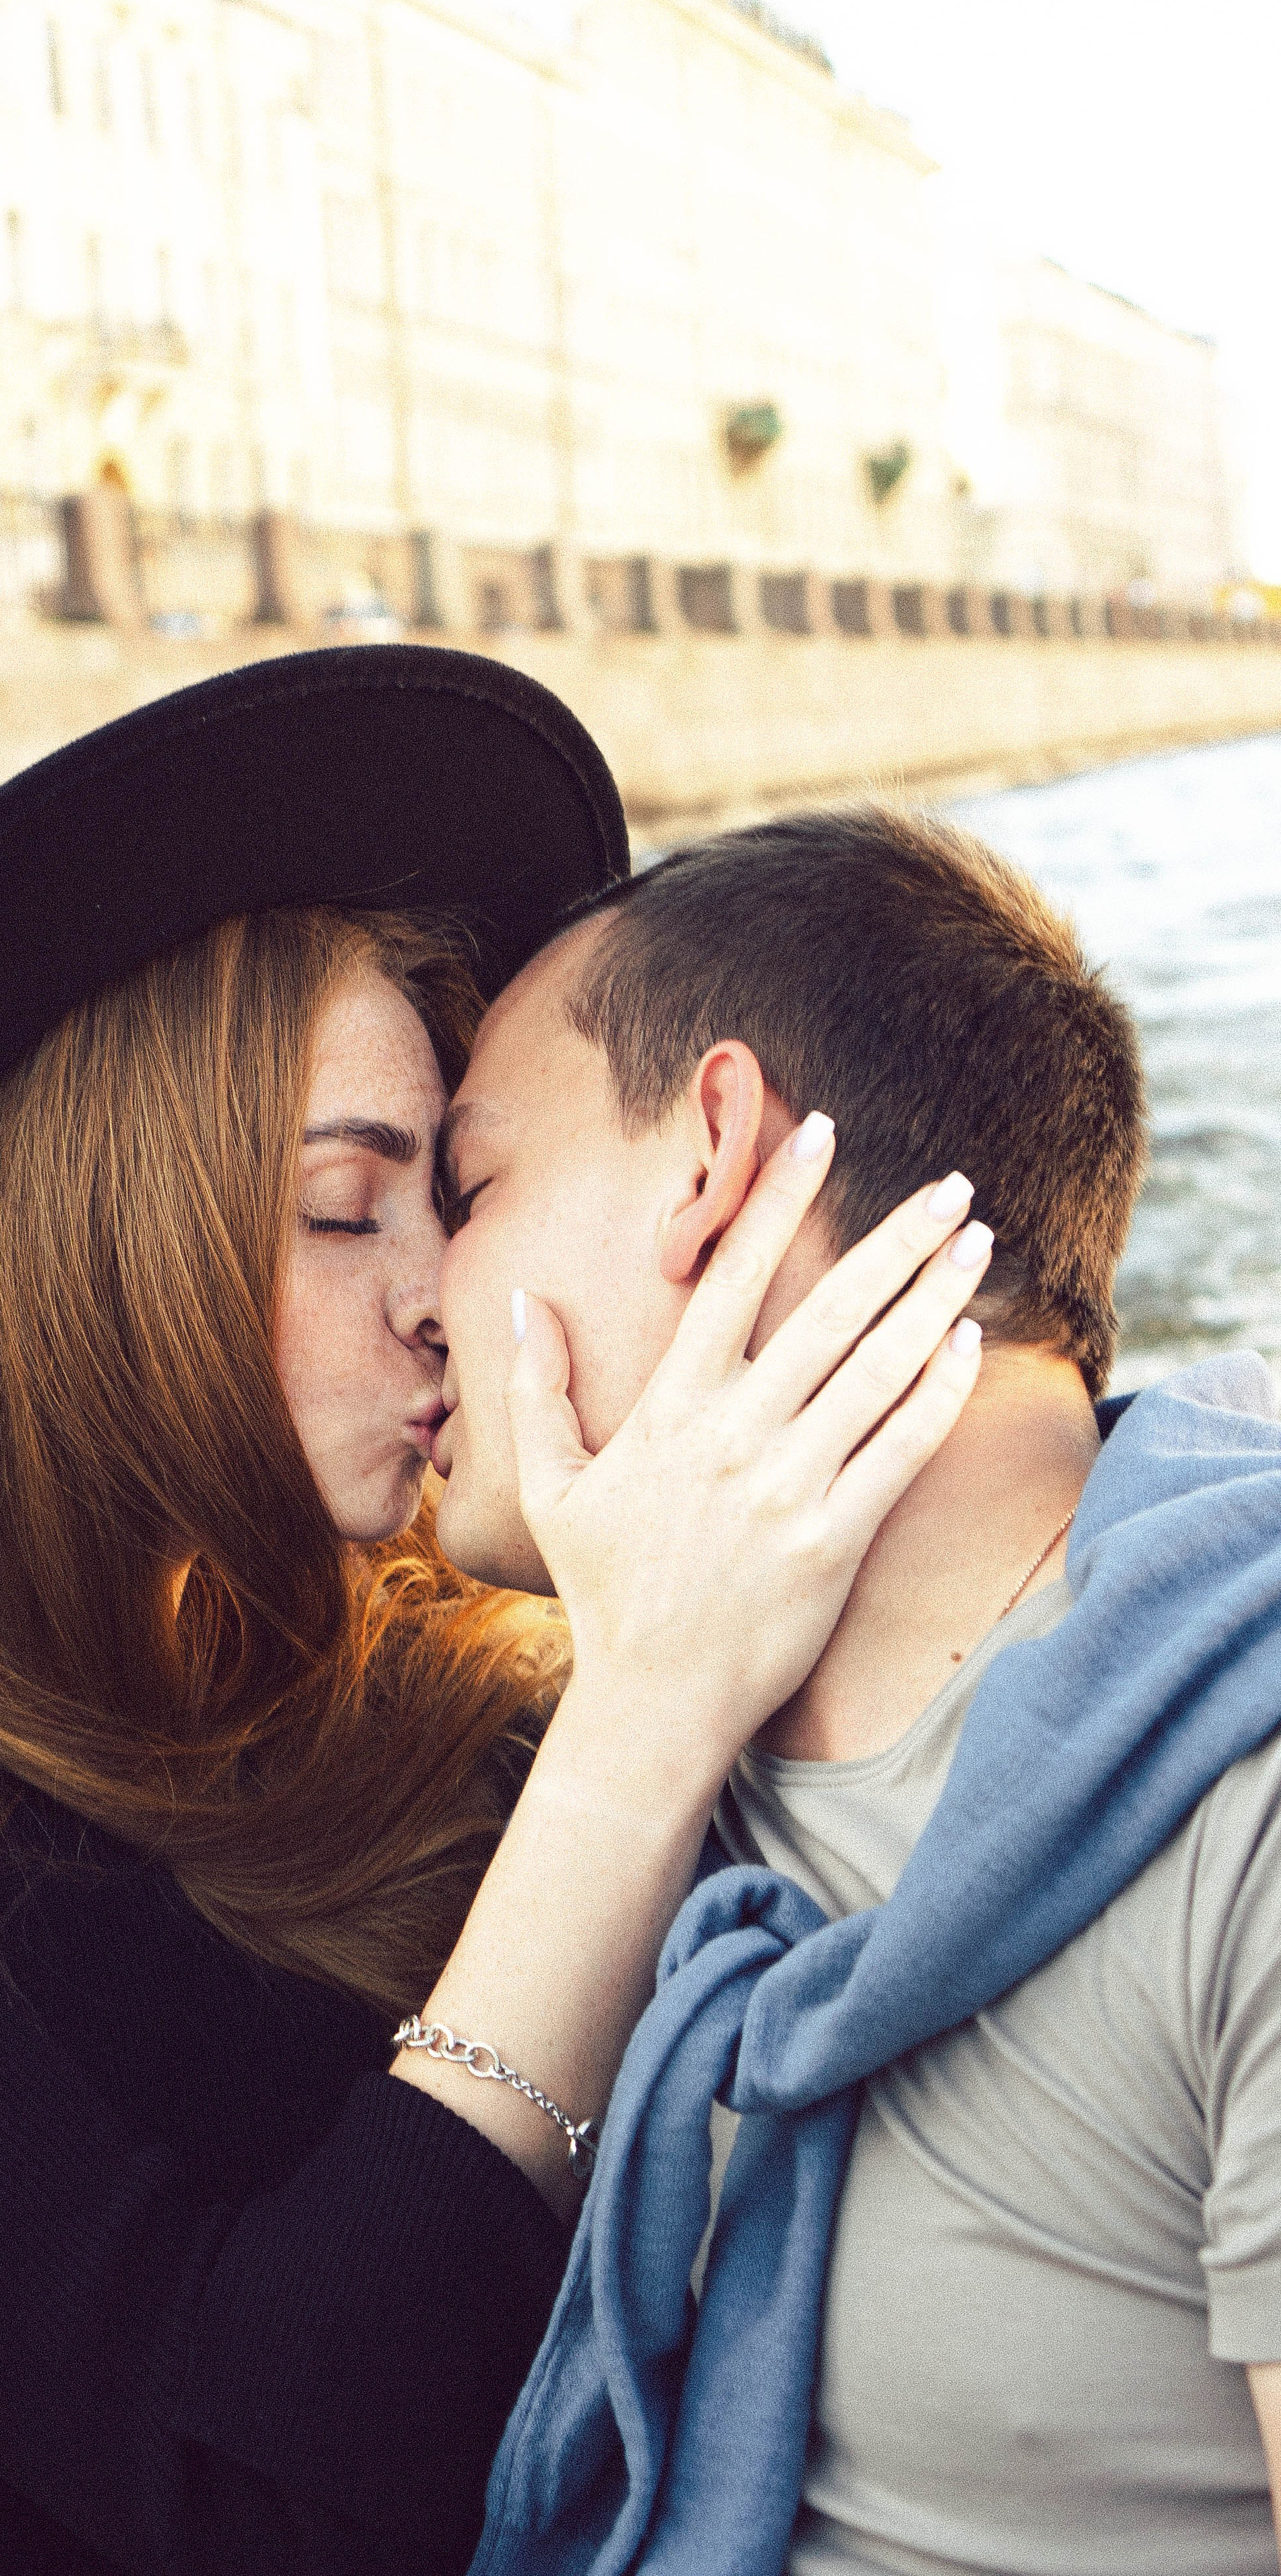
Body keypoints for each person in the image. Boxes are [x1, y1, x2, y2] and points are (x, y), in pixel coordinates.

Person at [0, 653, 984, 2575]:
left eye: (459, 1201)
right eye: (343, 1205)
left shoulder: (451, 1710)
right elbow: (257, 2500)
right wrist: (648, 1721)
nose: (438, 1296)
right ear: (33, 1227)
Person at [426, 803, 1281, 2574]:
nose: (421, 1298)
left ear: (713, 1159)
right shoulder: (596, 1766)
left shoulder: (1249, 1804)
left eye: (465, 1190)